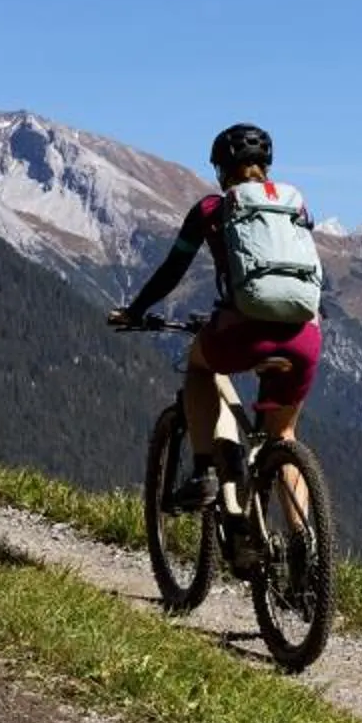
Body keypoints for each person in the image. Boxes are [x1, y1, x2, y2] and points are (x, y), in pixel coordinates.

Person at [109, 122, 324, 508]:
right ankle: (305, 550)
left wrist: (134, 311)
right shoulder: (295, 207)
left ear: (221, 169)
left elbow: (172, 270)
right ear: (266, 165)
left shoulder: (212, 209)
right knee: (285, 437)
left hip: (243, 333)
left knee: (199, 367)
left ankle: (205, 470)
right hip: (304, 335)